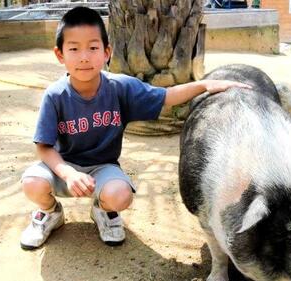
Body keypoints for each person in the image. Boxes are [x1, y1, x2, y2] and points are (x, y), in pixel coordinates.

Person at [20, 6, 250, 250]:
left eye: (93, 47)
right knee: (33, 183)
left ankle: (103, 211)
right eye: (74, 49)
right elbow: (44, 147)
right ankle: (49, 213)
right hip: (63, 167)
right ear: (60, 55)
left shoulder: (120, 88)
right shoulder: (55, 95)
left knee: (120, 195)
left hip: (102, 168)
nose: (84, 56)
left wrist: (204, 85)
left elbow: (167, 96)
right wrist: (68, 174)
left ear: (107, 52)